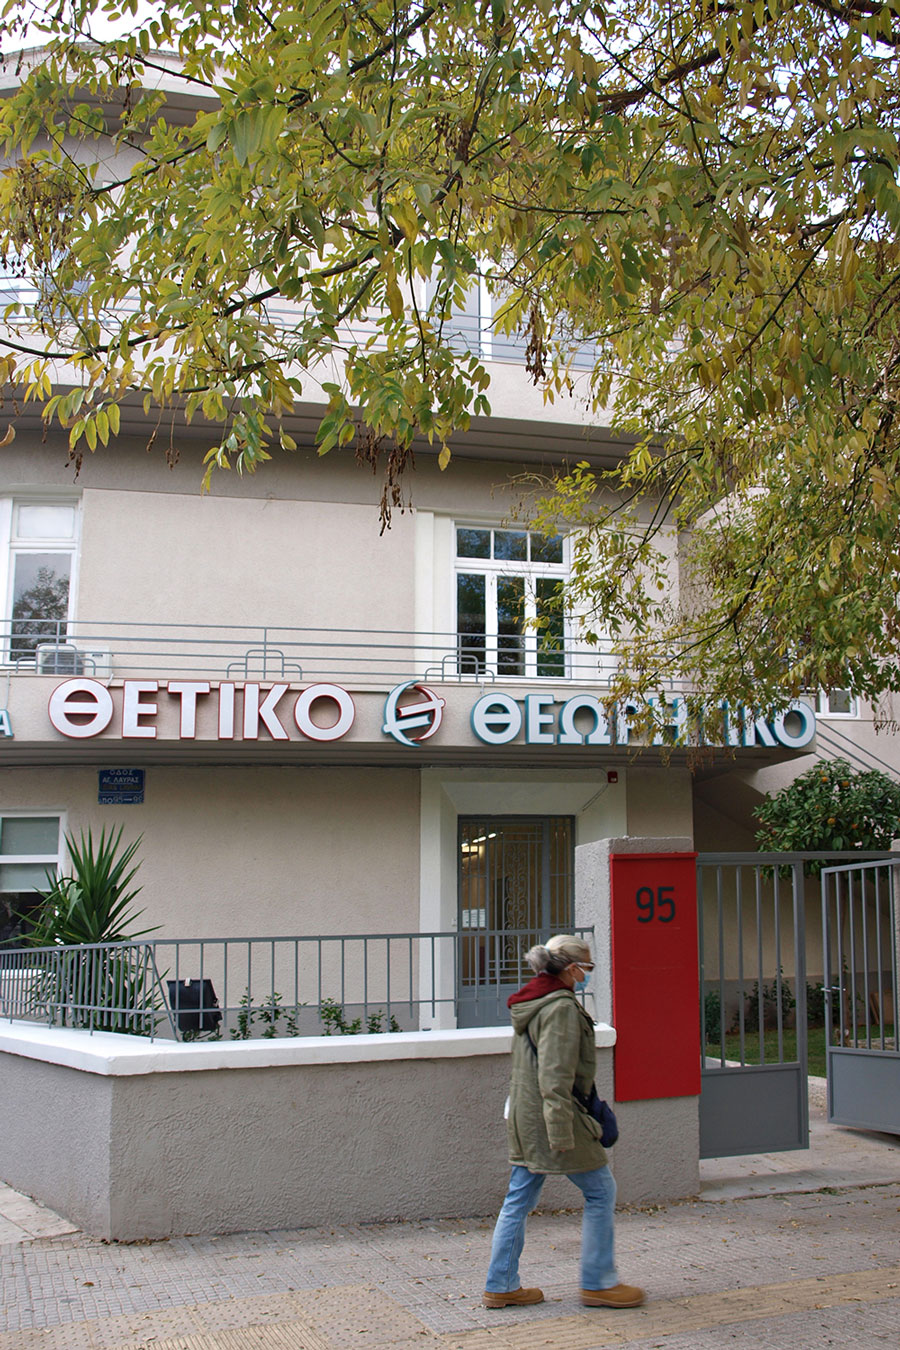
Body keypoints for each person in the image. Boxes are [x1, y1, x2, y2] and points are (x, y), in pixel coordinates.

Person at [483, 934, 645, 1310]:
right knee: (601, 1191)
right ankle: (599, 1283)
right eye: (586, 968)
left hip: (527, 1115)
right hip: (554, 1118)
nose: (587, 975)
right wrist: (560, 1133)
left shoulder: (534, 1001)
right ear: (571, 969)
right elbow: (555, 1077)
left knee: (519, 1197)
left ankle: (501, 1283)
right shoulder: (560, 1009)